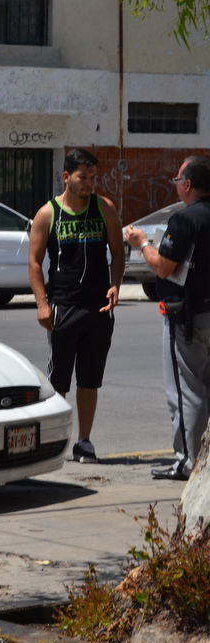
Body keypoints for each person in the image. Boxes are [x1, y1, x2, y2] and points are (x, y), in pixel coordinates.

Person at [28, 148, 125, 463]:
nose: (89, 184)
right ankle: (55, 441)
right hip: (63, 306)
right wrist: (42, 304)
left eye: (93, 178)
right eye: (83, 177)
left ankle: (84, 441)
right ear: (66, 177)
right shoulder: (48, 213)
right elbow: (34, 262)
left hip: (98, 307)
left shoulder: (104, 208)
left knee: (90, 379)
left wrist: (115, 285)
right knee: (59, 381)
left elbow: (118, 252)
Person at [124, 156, 210, 481]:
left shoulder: (184, 219)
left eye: (177, 180)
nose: (175, 185)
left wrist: (143, 243)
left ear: (187, 184)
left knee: (187, 392)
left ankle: (188, 462)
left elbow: (163, 267)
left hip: (188, 318)